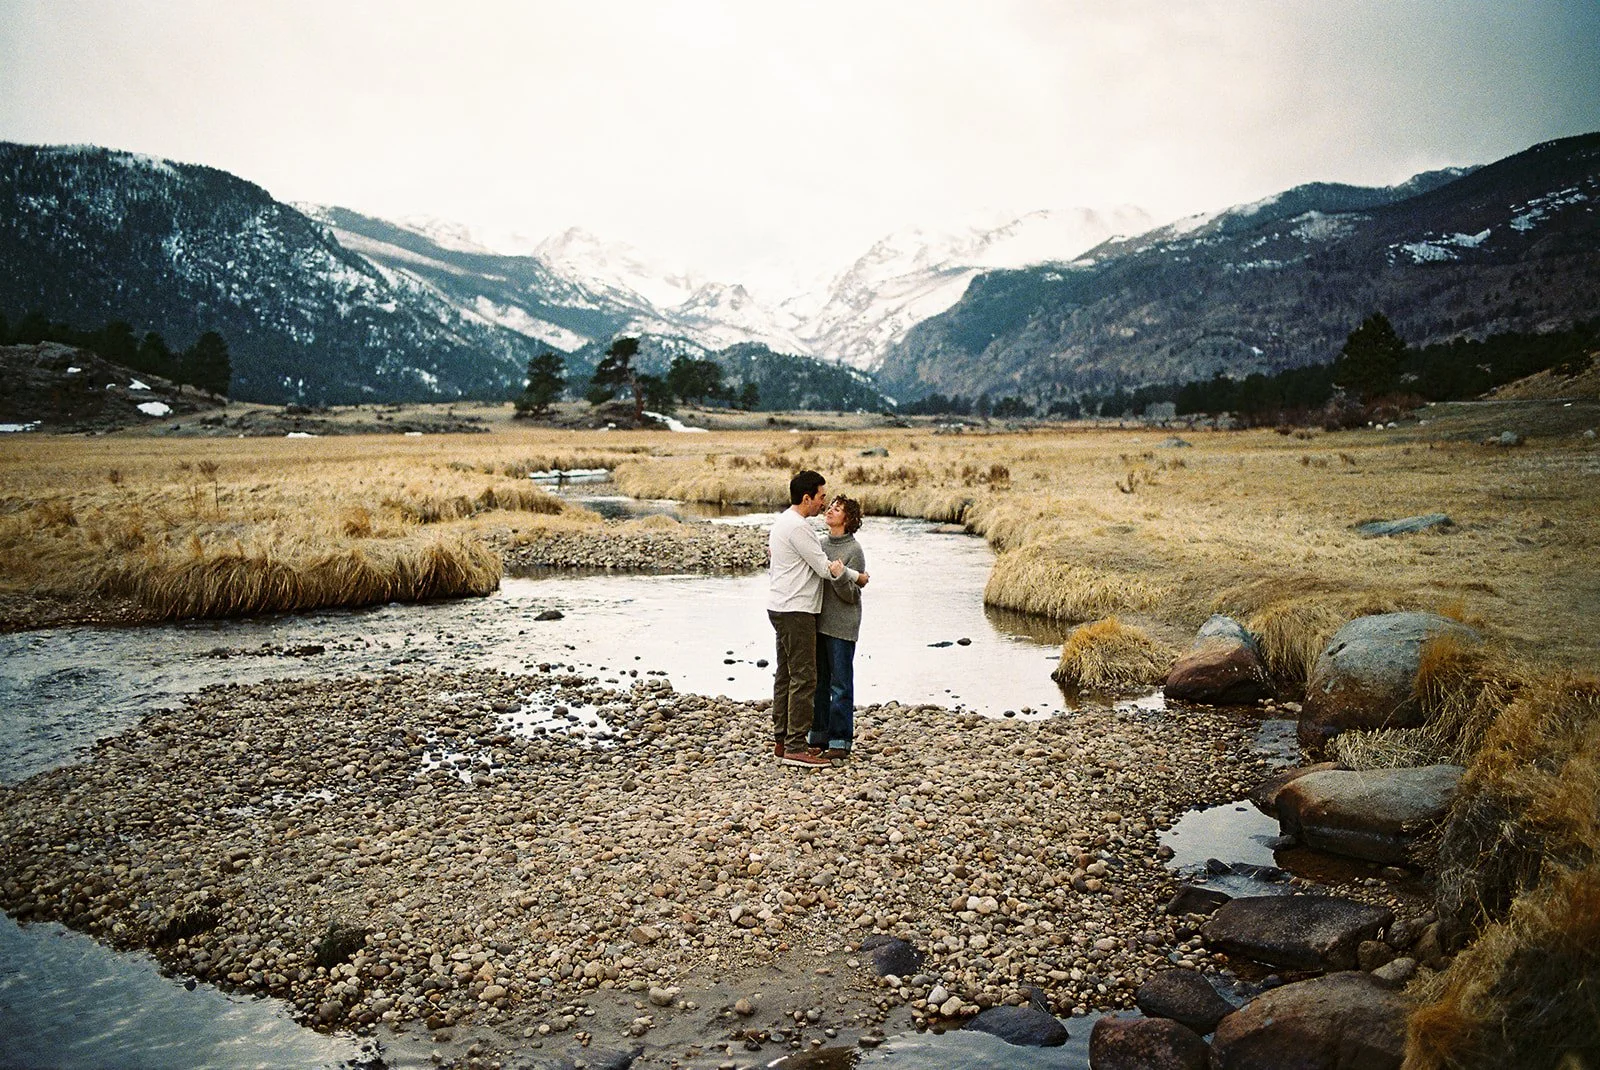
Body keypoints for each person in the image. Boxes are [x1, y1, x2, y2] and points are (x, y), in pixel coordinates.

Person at [767, 471, 867, 768]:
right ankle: (796, 745)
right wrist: (858, 577)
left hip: (787, 607)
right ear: (807, 497)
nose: (824, 504)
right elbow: (825, 568)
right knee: (804, 678)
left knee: (788, 675)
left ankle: (784, 739)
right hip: (795, 609)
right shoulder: (799, 529)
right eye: (822, 497)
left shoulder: (788, 523)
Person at [808, 495, 865, 759]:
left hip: (842, 627)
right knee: (819, 684)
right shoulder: (819, 545)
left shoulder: (855, 551)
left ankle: (840, 741)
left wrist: (840, 576)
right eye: (830, 506)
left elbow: (852, 595)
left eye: (837, 509)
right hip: (818, 623)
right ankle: (817, 736)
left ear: (848, 519)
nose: (830, 510)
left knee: (840, 684)